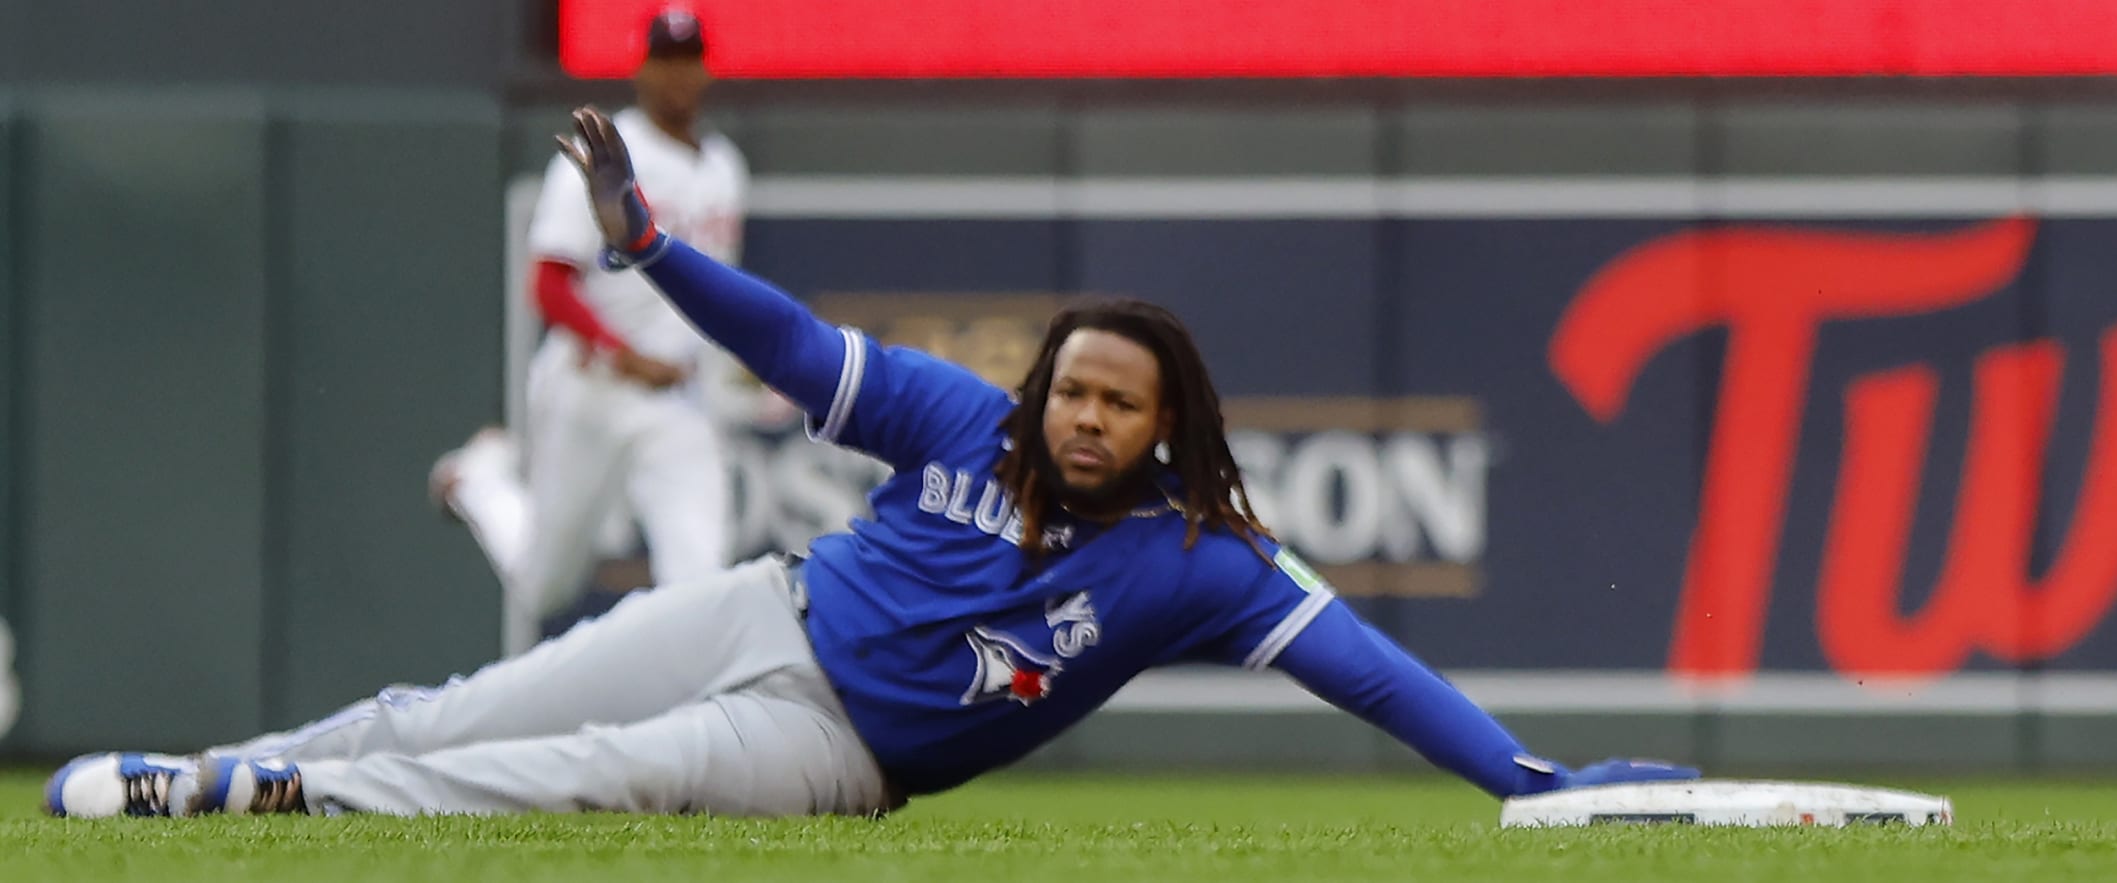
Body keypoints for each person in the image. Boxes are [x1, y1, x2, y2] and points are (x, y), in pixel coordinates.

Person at [42, 107, 1699, 819]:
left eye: (1118, 403)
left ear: (1167, 426)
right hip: (765, 608)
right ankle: (214, 770)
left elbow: (1375, 673)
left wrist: (1525, 779)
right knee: (473, 705)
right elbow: (785, 338)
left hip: (836, 744)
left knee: (597, 770)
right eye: (1073, 386)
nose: (1084, 415)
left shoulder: (1202, 557)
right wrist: (651, 253)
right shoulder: (966, 419)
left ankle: (283, 797)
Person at [431, 6, 754, 657]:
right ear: (642, 69)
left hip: (677, 401)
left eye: (688, 60)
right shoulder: (607, 153)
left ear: (705, 71)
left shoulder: (725, 167)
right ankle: (479, 480)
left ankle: (693, 717)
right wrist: (623, 354)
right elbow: (549, 284)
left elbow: (717, 294)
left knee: (699, 581)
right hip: (593, 387)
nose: (677, 75)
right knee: (542, 585)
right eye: (665, 60)